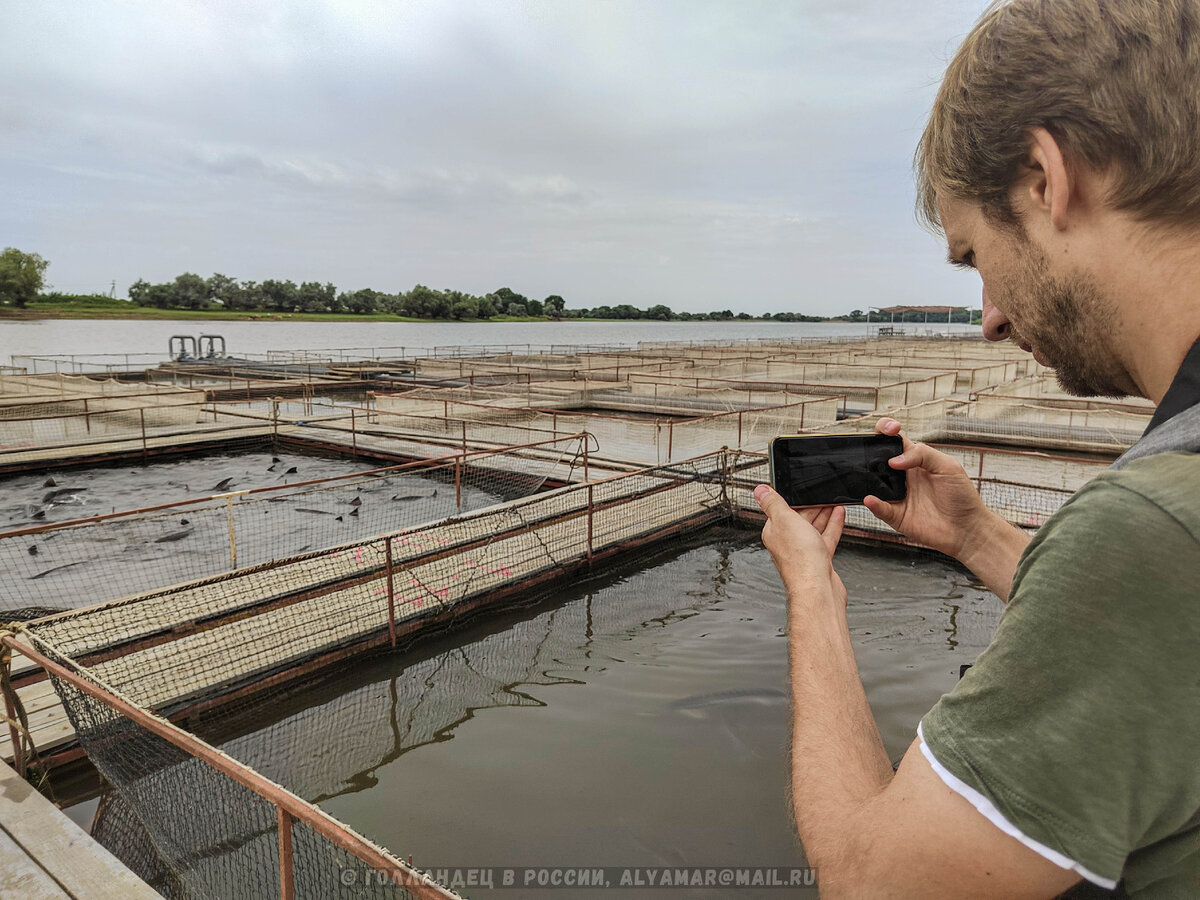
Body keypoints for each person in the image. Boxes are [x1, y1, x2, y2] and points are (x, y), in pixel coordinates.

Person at [754, 1, 1200, 896]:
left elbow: (868, 883)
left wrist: (813, 591)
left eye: (975, 254)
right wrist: (978, 538)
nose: (991, 316)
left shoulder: (1148, 525)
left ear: (1046, 176)